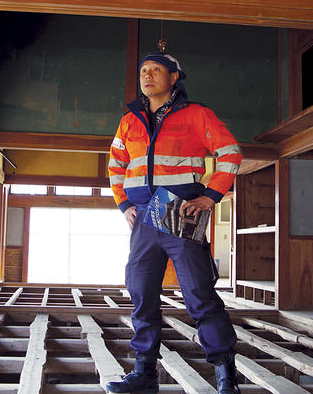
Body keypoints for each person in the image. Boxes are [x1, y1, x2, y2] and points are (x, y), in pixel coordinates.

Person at [107, 53, 243, 394]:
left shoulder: (198, 115)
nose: (147, 76)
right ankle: (144, 374)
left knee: (199, 294)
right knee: (141, 294)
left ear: (174, 77)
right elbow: (115, 165)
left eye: (155, 70)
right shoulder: (129, 121)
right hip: (142, 218)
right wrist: (123, 205)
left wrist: (210, 197)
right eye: (143, 71)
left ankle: (226, 378)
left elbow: (230, 153)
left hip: (181, 214)